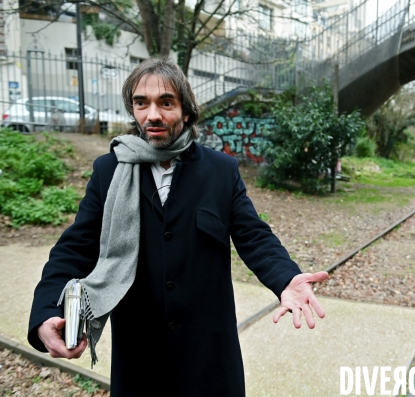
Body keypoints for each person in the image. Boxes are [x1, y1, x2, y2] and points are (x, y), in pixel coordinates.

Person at [28, 57, 328, 396]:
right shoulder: (108, 171)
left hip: (209, 362)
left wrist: (286, 277)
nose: (152, 114)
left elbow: (253, 235)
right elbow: (74, 249)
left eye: (165, 102)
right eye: (141, 103)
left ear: (186, 111)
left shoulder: (220, 171)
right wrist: (44, 314)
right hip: (140, 363)